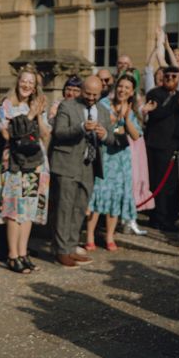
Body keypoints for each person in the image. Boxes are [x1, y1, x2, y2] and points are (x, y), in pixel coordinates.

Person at [0, 66, 51, 274]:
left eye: (31, 83)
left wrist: (39, 115)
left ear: (35, 87)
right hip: (15, 164)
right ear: (17, 83)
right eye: (23, 81)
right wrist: (30, 115)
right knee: (14, 211)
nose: (26, 85)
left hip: (35, 163)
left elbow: (45, 136)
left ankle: (24, 253)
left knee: (29, 211)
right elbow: (8, 135)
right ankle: (12, 255)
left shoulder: (37, 105)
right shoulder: (7, 106)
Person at [51, 76, 115, 268]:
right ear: (81, 91)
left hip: (89, 165)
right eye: (88, 93)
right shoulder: (67, 106)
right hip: (66, 163)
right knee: (65, 208)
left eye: (95, 94)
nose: (91, 97)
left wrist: (105, 136)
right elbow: (59, 133)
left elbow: (112, 139)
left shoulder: (103, 111)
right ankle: (61, 251)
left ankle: (71, 247)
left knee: (79, 209)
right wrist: (80, 128)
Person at [86, 75, 142, 250]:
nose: (123, 90)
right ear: (116, 87)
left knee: (115, 198)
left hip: (120, 159)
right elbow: (100, 127)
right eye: (121, 86)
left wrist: (124, 117)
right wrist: (115, 122)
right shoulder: (102, 104)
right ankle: (89, 237)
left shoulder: (130, 110)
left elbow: (134, 135)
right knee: (97, 197)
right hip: (103, 156)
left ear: (132, 92)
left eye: (127, 88)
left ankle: (110, 237)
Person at [143, 66, 179, 232]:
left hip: (174, 145)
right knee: (158, 183)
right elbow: (157, 113)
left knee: (171, 185)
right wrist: (176, 101)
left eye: (174, 76)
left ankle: (168, 218)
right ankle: (158, 218)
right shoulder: (155, 94)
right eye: (167, 76)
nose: (170, 79)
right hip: (157, 146)